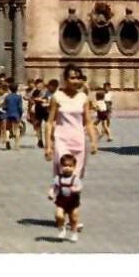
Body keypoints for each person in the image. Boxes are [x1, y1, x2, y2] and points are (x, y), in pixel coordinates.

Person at [45, 65, 99, 239]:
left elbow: (88, 121)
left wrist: (93, 140)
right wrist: (48, 145)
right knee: (63, 175)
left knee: (76, 178)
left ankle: (72, 214)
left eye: (77, 78)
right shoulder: (57, 97)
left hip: (78, 142)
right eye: (71, 78)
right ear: (65, 79)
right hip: (61, 140)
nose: (74, 81)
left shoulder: (83, 97)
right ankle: (64, 213)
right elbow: (50, 122)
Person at [48, 151, 83, 242]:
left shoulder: (75, 179)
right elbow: (54, 187)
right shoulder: (58, 178)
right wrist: (51, 193)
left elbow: (80, 187)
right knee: (58, 215)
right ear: (61, 166)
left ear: (74, 167)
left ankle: (74, 232)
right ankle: (61, 229)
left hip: (72, 201)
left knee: (74, 218)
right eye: (65, 166)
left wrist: (76, 189)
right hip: (61, 201)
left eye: (70, 166)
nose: (67, 168)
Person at [3, 80, 24, 150]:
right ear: (17, 89)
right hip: (16, 114)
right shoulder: (19, 97)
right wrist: (20, 114)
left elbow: (4, 107)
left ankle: (7, 140)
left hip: (8, 114)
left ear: (9, 89)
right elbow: (20, 107)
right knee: (17, 129)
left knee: (7, 128)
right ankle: (17, 145)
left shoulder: (7, 97)